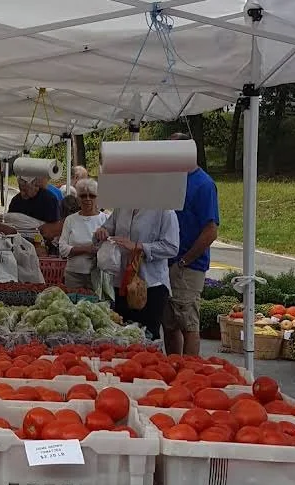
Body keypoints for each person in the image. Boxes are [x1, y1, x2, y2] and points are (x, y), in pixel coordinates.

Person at [162, 140, 220, 355]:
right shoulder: (174, 180)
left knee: (187, 323)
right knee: (169, 323)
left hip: (187, 266)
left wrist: (184, 261)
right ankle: (173, 366)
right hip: (168, 263)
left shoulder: (203, 184)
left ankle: (189, 372)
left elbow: (211, 230)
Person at [94, 206, 179, 340]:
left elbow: (171, 247)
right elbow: (108, 228)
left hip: (150, 284)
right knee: (122, 333)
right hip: (123, 283)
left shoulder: (165, 211)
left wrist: (139, 246)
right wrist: (102, 232)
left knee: (148, 335)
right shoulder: (122, 208)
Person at [58, 179, 109, 289]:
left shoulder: (106, 219)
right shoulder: (70, 220)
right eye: (83, 196)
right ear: (78, 199)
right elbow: (62, 249)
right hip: (73, 274)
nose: (87, 199)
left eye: (92, 196)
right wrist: (86, 249)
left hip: (98, 274)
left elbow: (112, 247)